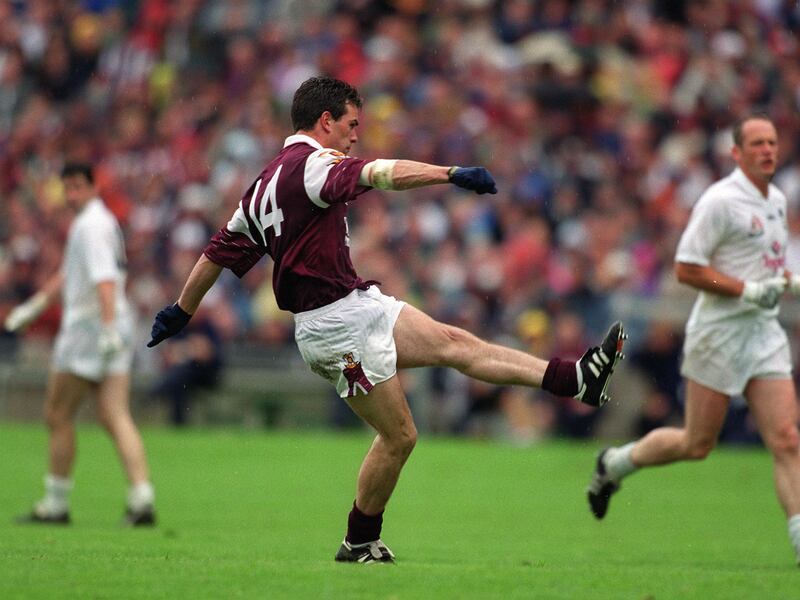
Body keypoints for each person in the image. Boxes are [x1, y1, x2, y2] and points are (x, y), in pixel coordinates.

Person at [147, 76, 626, 563]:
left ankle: (575, 379)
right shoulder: (315, 165)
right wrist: (450, 172)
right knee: (400, 435)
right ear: (325, 121)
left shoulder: (263, 184)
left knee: (455, 343)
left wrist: (181, 310)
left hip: (354, 306)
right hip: (332, 329)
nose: (356, 135)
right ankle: (358, 541)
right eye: (351, 125)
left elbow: (215, 253)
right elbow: (381, 173)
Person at [587, 113, 800, 565]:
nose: (767, 150)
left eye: (772, 142)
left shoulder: (777, 200)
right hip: (718, 333)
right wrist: (746, 290)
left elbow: (762, 267)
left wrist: (785, 282)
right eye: (757, 143)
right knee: (697, 444)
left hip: (762, 332)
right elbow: (686, 267)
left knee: (786, 438)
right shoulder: (720, 201)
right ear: (737, 153)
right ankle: (615, 464)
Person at [5, 163, 156, 526]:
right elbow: (71, 273)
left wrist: (103, 327)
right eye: (67, 188)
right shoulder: (100, 221)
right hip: (115, 323)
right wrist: (36, 306)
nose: (71, 195)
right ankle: (142, 498)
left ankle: (56, 503)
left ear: (92, 187)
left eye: (77, 187)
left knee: (57, 414)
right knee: (114, 413)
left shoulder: (89, 226)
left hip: (90, 327)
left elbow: (104, 280)